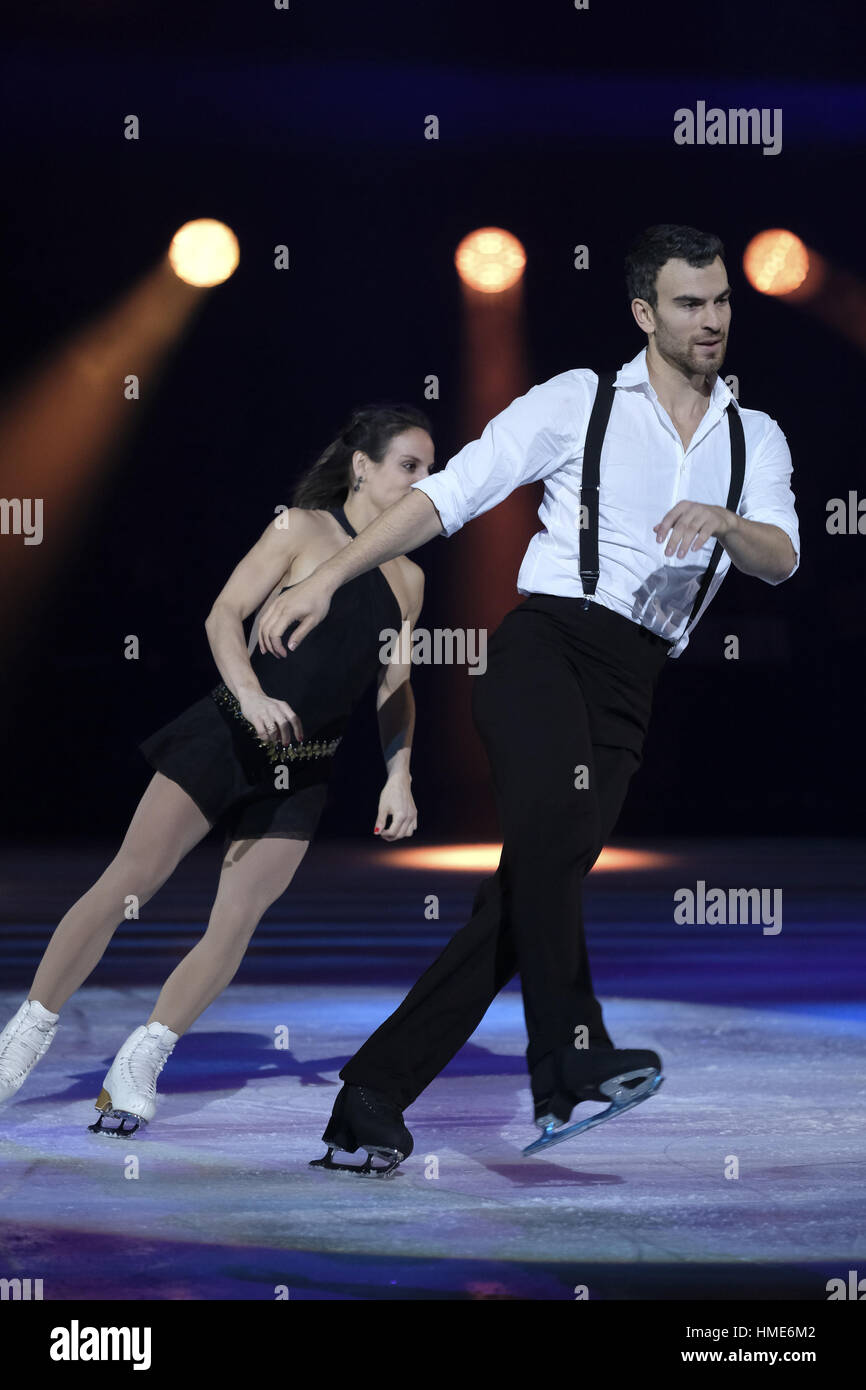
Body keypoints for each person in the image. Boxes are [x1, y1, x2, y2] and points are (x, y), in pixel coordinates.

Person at [257, 225, 801, 1176]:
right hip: (542, 649)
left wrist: (726, 520)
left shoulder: (756, 437)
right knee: (548, 857)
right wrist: (327, 580)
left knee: (525, 896)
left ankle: (369, 1097)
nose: (711, 319)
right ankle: (570, 1062)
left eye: (720, 301)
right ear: (644, 312)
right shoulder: (576, 401)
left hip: (636, 683)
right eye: (688, 302)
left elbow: (784, 556)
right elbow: (447, 497)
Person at [0, 405, 433, 1141]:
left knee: (235, 923)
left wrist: (400, 775)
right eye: (410, 466)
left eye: (431, 471)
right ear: (362, 465)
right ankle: (24, 1038)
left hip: (304, 765)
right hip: (227, 735)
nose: (425, 482)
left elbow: (395, 687)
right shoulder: (301, 528)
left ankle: (139, 1062)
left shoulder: (410, 579)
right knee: (127, 883)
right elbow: (223, 616)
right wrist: (252, 696)